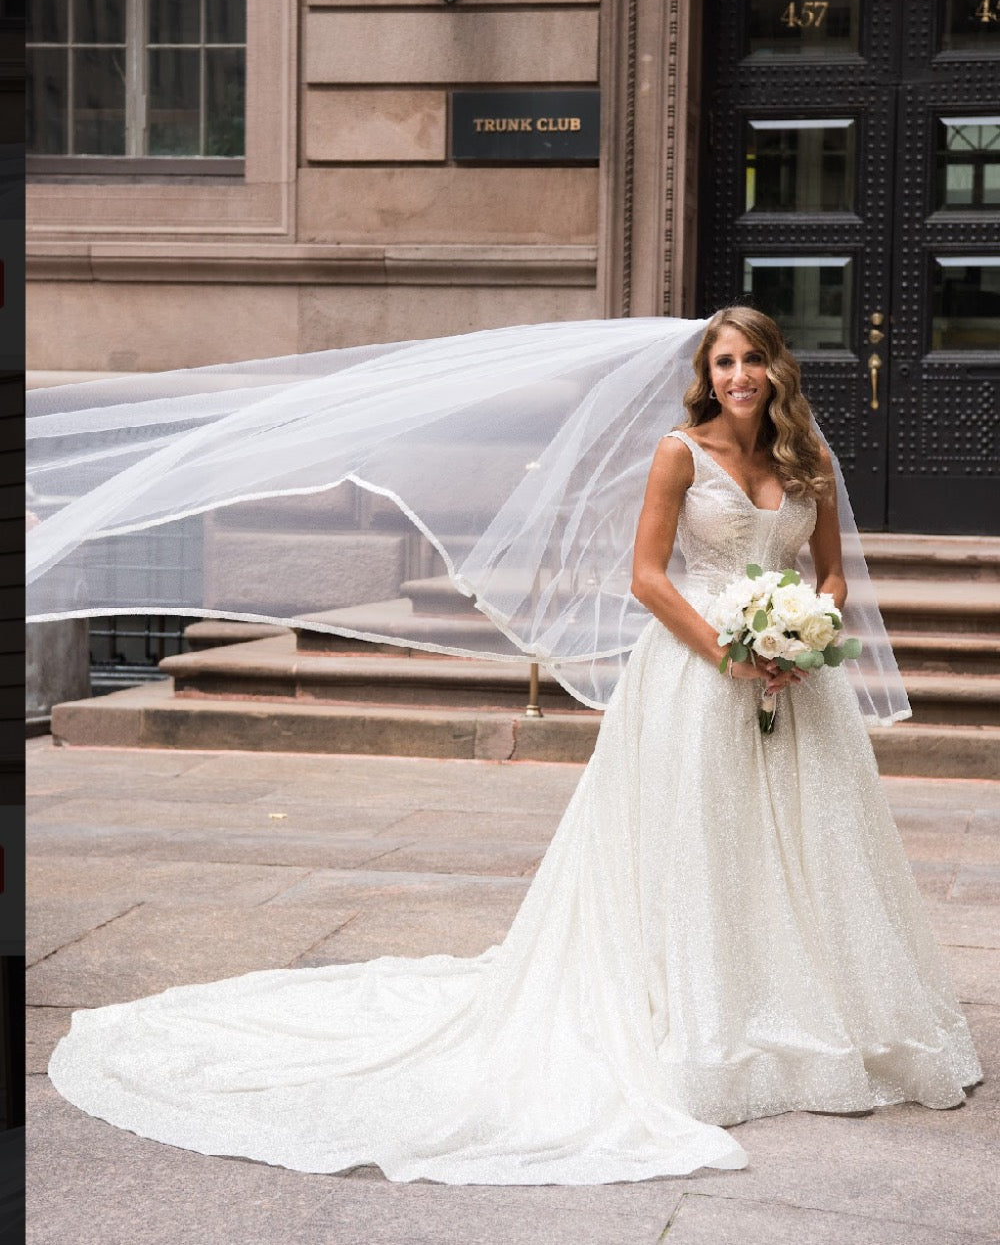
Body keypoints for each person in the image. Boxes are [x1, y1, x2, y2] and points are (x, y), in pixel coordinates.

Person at [45, 308, 980, 1186]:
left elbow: (828, 574)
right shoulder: (678, 455)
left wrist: (804, 635)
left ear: (778, 368)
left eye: (751, 359)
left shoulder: (808, 455)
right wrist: (732, 652)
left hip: (792, 679)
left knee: (812, 844)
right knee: (703, 839)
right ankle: (709, 1021)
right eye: (722, 363)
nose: (738, 375)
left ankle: (818, 1006)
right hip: (700, 674)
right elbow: (648, 579)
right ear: (707, 377)